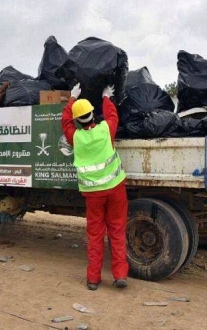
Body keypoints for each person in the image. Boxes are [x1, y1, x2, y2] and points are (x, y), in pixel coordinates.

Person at [61, 84, 129, 291]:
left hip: (93, 195)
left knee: (95, 235)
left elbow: (65, 122)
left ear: (77, 121)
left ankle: (93, 279)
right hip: (116, 190)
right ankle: (119, 276)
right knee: (117, 231)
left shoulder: (76, 138)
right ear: (92, 114)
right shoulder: (105, 129)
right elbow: (112, 115)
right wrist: (106, 97)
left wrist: (71, 99)